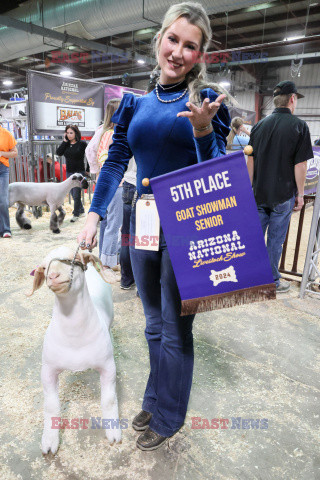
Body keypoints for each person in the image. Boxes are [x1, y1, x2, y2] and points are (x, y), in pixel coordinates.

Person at [78, 2, 231, 451]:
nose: (179, 52)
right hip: (142, 223)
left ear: (199, 55)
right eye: (173, 39)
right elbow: (115, 161)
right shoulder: (134, 104)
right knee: (151, 323)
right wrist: (94, 212)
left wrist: (204, 132)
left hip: (189, 225)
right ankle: (153, 396)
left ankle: (169, 415)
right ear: (159, 39)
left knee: (176, 328)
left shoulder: (204, 101)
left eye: (191, 46)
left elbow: (219, 172)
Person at [247, 80, 313, 293]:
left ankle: (253, 277)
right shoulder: (299, 126)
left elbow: (250, 161)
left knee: (254, 237)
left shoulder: (258, 126)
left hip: (258, 193)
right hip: (283, 194)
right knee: (275, 241)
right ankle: (272, 281)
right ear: (292, 99)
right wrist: (300, 194)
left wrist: (249, 189)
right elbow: (300, 164)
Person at [85, 99, 122, 282]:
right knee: (114, 224)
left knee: (106, 222)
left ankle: (104, 257)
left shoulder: (101, 131)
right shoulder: (118, 132)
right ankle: (107, 262)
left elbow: (90, 151)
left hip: (104, 181)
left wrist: (96, 171)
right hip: (118, 182)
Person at [56, 125, 87, 222]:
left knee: (77, 193)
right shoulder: (66, 144)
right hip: (69, 172)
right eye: (67, 133)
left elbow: (89, 156)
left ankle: (76, 214)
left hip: (79, 172)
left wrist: (88, 169)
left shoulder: (82, 144)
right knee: (73, 193)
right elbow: (58, 153)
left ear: (76, 133)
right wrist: (64, 141)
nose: (69, 135)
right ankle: (81, 210)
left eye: (71, 133)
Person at [120, 157, 137, 290]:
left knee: (127, 235)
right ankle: (142, 285)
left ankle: (126, 279)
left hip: (129, 182)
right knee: (145, 236)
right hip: (144, 183)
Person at [0, 125, 18, 238]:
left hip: (2, 169)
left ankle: (6, 229)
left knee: (2, 200)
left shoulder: (6, 134)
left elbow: (15, 152)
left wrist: (2, 154)